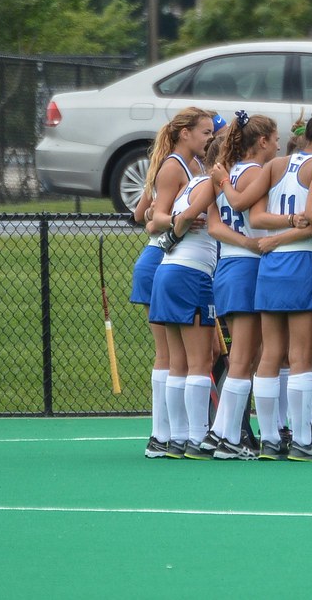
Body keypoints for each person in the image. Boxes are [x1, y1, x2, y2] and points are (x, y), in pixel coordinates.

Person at [214, 99, 312, 461]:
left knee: (270, 354)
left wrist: (224, 181)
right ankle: (301, 439)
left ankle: (270, 438)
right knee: (299, 355)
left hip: (270, 266)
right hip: (303, 263)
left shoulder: (276, 165)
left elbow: (251, 213)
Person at [134, 106, 211, 458]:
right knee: (169, 354)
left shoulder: (197, 167)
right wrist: (179, 218)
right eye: (205, 132)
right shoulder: (172, 165)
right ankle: (163, 434)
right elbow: (152, 219)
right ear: (185, 133)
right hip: (162, 261)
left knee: (180, 355)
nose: (210, 138)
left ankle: (172, 436)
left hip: (179, 263)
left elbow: (146, 212)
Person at [208, 110, 280, 460]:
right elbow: (249, 214)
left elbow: (216, 224)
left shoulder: (230, 171)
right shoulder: (253, 172)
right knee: (245, 359)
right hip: (247, 268)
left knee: (243, 357)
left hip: (228, 266)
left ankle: (219, 434)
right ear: (262, 141)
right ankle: (227, 437)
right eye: (275, 138)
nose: (279, 145)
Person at [147, 132, 221, 459]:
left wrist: (169, 236)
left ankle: (175, 438)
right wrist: (173, 235)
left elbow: (153, 217)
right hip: (190, 274)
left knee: (177, 361)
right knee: (199, 361)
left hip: (168, 273)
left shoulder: (189, 183)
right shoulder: (208, 184)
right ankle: (196, 437)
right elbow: (188, 216)